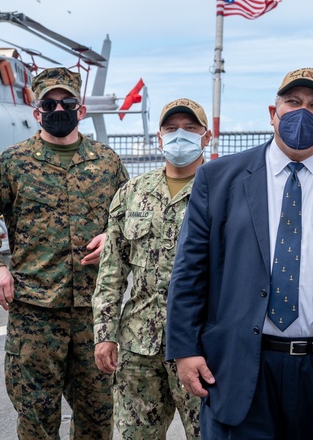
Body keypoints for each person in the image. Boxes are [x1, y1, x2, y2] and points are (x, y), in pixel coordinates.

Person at [166, 68, 313, 440]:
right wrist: (184, 349)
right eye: (292, 102)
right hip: (242, 366)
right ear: (272, 113)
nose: (301, 113)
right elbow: (190, 271)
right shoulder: (218, 178)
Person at [0, 67, 128, 440]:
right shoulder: (12, 163)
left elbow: (129, 218)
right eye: (49, 104)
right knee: (36, 418)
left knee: (98, 418)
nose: (59, 109)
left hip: (94, 315)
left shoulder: (107, 163)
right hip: (34, 314)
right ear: (36, 112)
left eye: (67, 102)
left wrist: (112, 237)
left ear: (80, 109)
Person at [92, 98, 212, 439]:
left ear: (207, 136)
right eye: (171, 129)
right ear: (159, 137)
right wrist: (104, 335)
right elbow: (111, 273)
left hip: (201, 345)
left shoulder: (223, 192)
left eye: (190, 129)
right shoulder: (132, 193)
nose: (180, 136)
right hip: (138, 346)